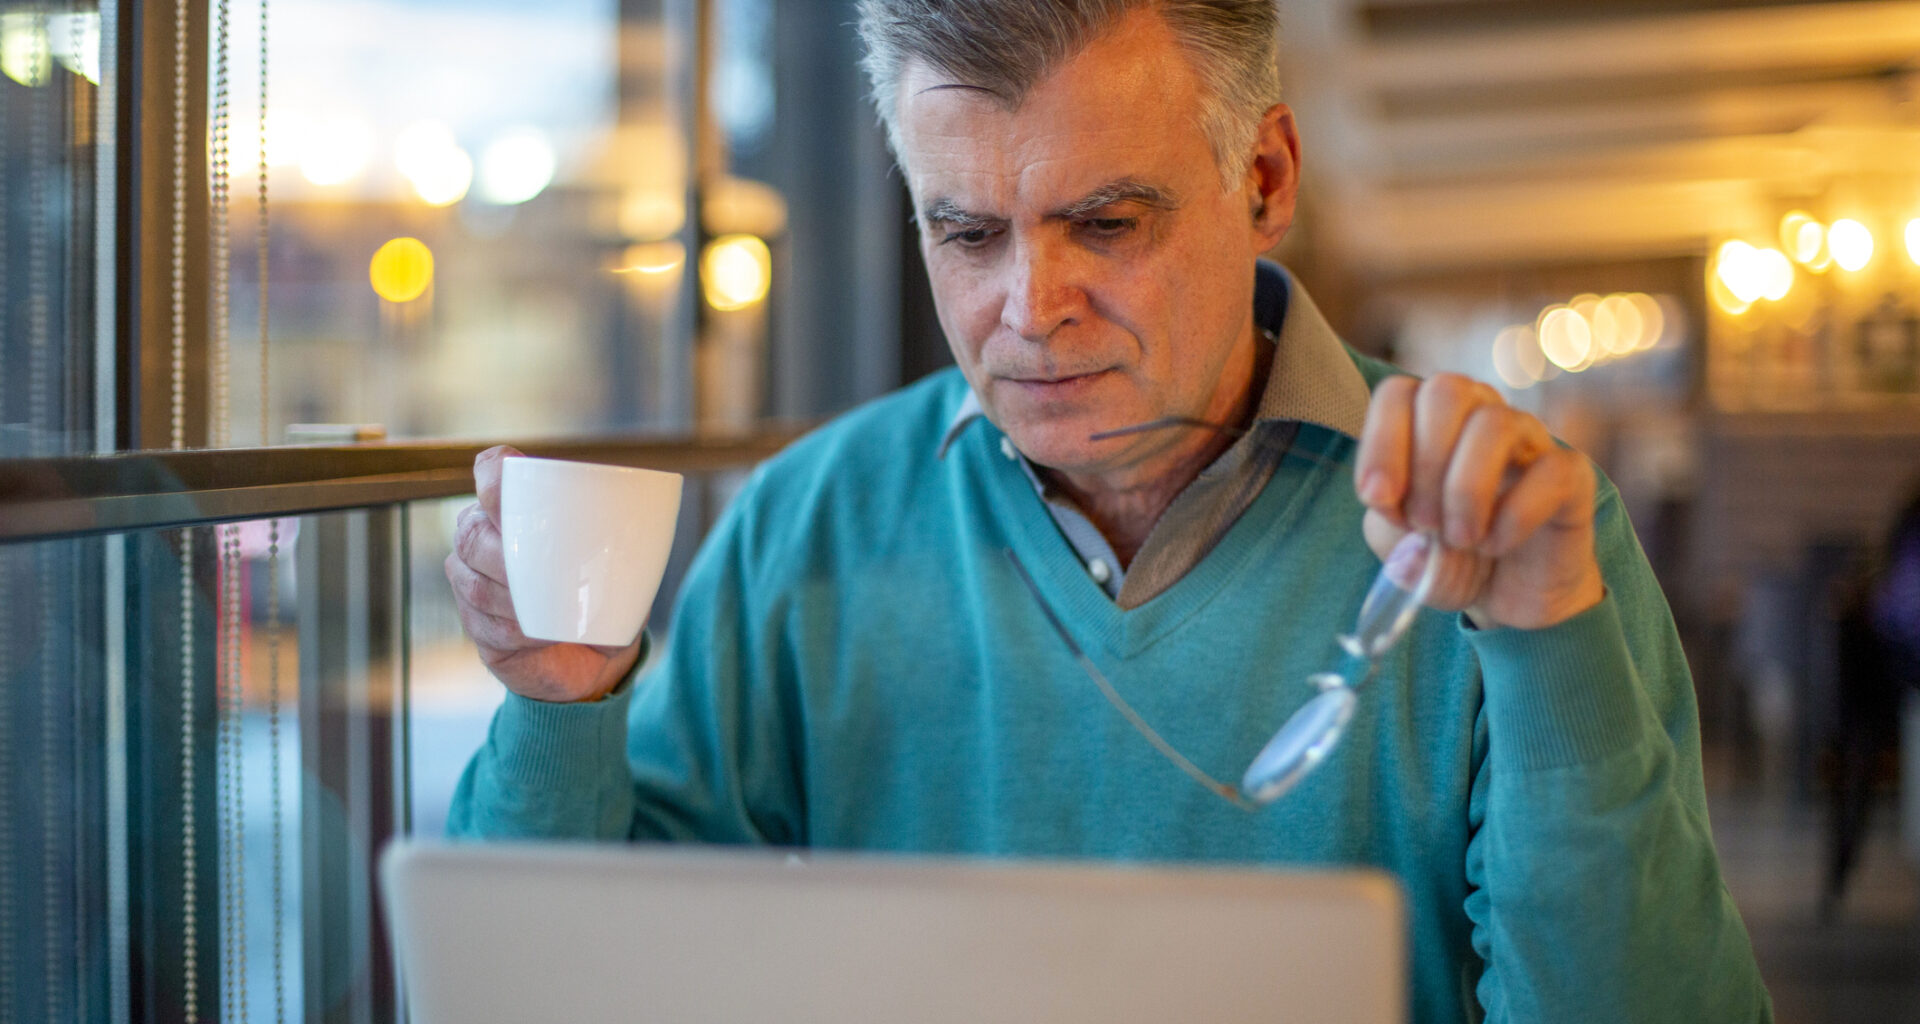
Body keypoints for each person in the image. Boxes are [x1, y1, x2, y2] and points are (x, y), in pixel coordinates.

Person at [442, 2, 1771, 1020]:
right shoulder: (814, 523)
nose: (1030, 308)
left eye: (1108, 224)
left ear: (1265, 179)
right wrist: (561, 711)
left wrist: (1544, 639)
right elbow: (570, 986)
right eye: (966, 234)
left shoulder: (1509, 536)